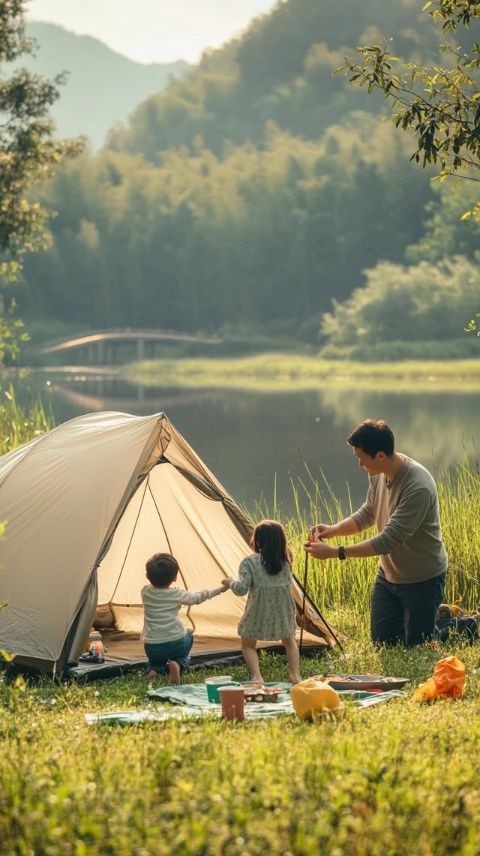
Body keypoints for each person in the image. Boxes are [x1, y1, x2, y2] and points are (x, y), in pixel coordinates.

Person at [305, 419, 448, 646]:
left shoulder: (417, 486)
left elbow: (387, 540)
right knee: (384, 642)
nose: (360, 464)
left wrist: (335, 552)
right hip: (389, 575)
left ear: (379, 455)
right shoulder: (377, 472)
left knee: (417, 645)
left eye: (361, 458)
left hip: (422, 578)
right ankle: (429, 620)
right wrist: (333, 530)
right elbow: (369, 512)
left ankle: (463, 624)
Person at [222, 519, 301, 684]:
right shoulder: (286, 561)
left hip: (259, 609)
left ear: (258, 540)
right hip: (283, 609)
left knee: (248, 644)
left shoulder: (249, 562)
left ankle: (257, 677)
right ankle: (295, 675)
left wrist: (229, 582)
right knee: (290, 642)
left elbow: (241, 589)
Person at [141, 552, 228, 683]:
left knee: (154, 661)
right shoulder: (177, 594)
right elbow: (197, 598)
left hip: (152, 645)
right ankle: (178, 663)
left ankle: (154, 670)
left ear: (147, 576)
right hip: (176, 642)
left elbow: (151, 586)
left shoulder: (145, 592)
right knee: (188, 634)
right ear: (175, 577)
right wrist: (221, 589)